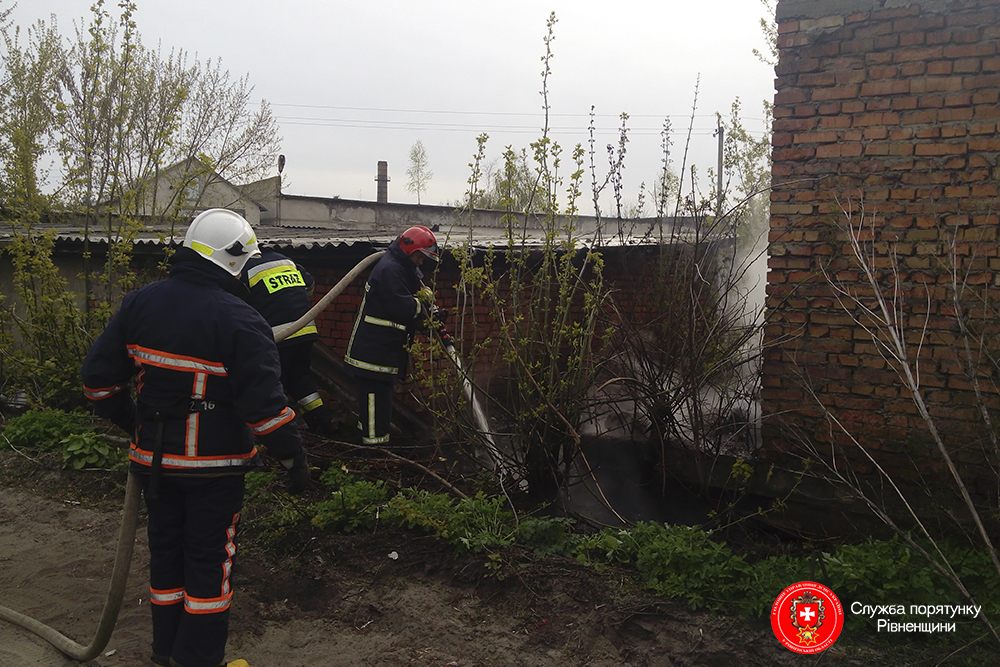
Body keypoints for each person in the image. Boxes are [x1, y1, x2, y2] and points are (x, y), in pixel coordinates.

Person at [81, 208, 309, 667]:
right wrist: (294, 460)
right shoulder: (242, 320)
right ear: (235, 260)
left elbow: (97, 383)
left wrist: (138, 422)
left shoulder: (140, 303)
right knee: (209, 564)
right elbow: (265, 410)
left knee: (166, 556)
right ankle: (200, 660)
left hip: (154, 463)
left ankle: (166, 652)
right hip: (214, 470)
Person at [344, 225, 440, 446]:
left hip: (381, 355)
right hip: (372, 356)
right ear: (409, 249)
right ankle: (373, 453)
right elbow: (402, 307)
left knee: (375, 412)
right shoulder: (390, 269)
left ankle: (364, 446)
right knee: (374, 411)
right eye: (420, 256)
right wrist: (423, 305)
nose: (421, 262)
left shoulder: (401, 268)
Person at [241, 247, 338, 437]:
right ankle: (323, 423)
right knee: (299, 379)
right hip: (305, 330)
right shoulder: (285, 260)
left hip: (278, 336)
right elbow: (309, 285)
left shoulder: (244, 268)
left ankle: (277, 431)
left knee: (268, 382)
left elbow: (237, 304)